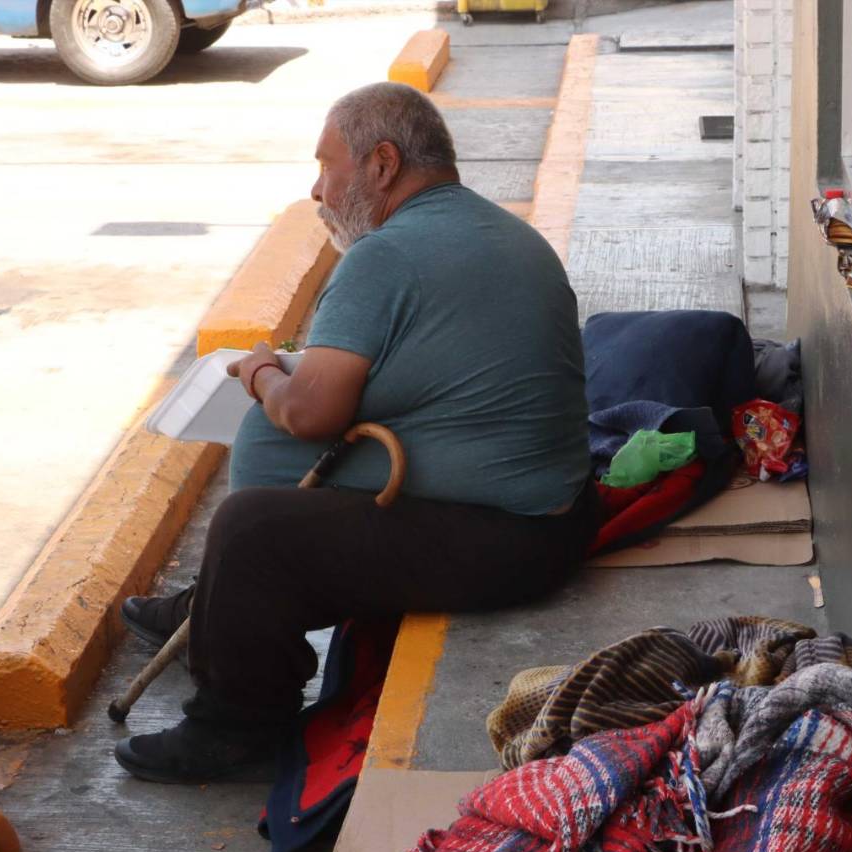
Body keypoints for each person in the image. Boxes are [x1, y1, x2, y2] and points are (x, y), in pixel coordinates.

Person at [113, 82, 598, 783]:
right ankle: (213, 612)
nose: (317, 191)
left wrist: (258, 375)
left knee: (253, 527)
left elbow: (311, 414)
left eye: (326, 166)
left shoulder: (385, 256)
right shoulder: (499, 228)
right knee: (268, 513)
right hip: (556, 518)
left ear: (381, 165)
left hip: (510, 539)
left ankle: (237, 721)